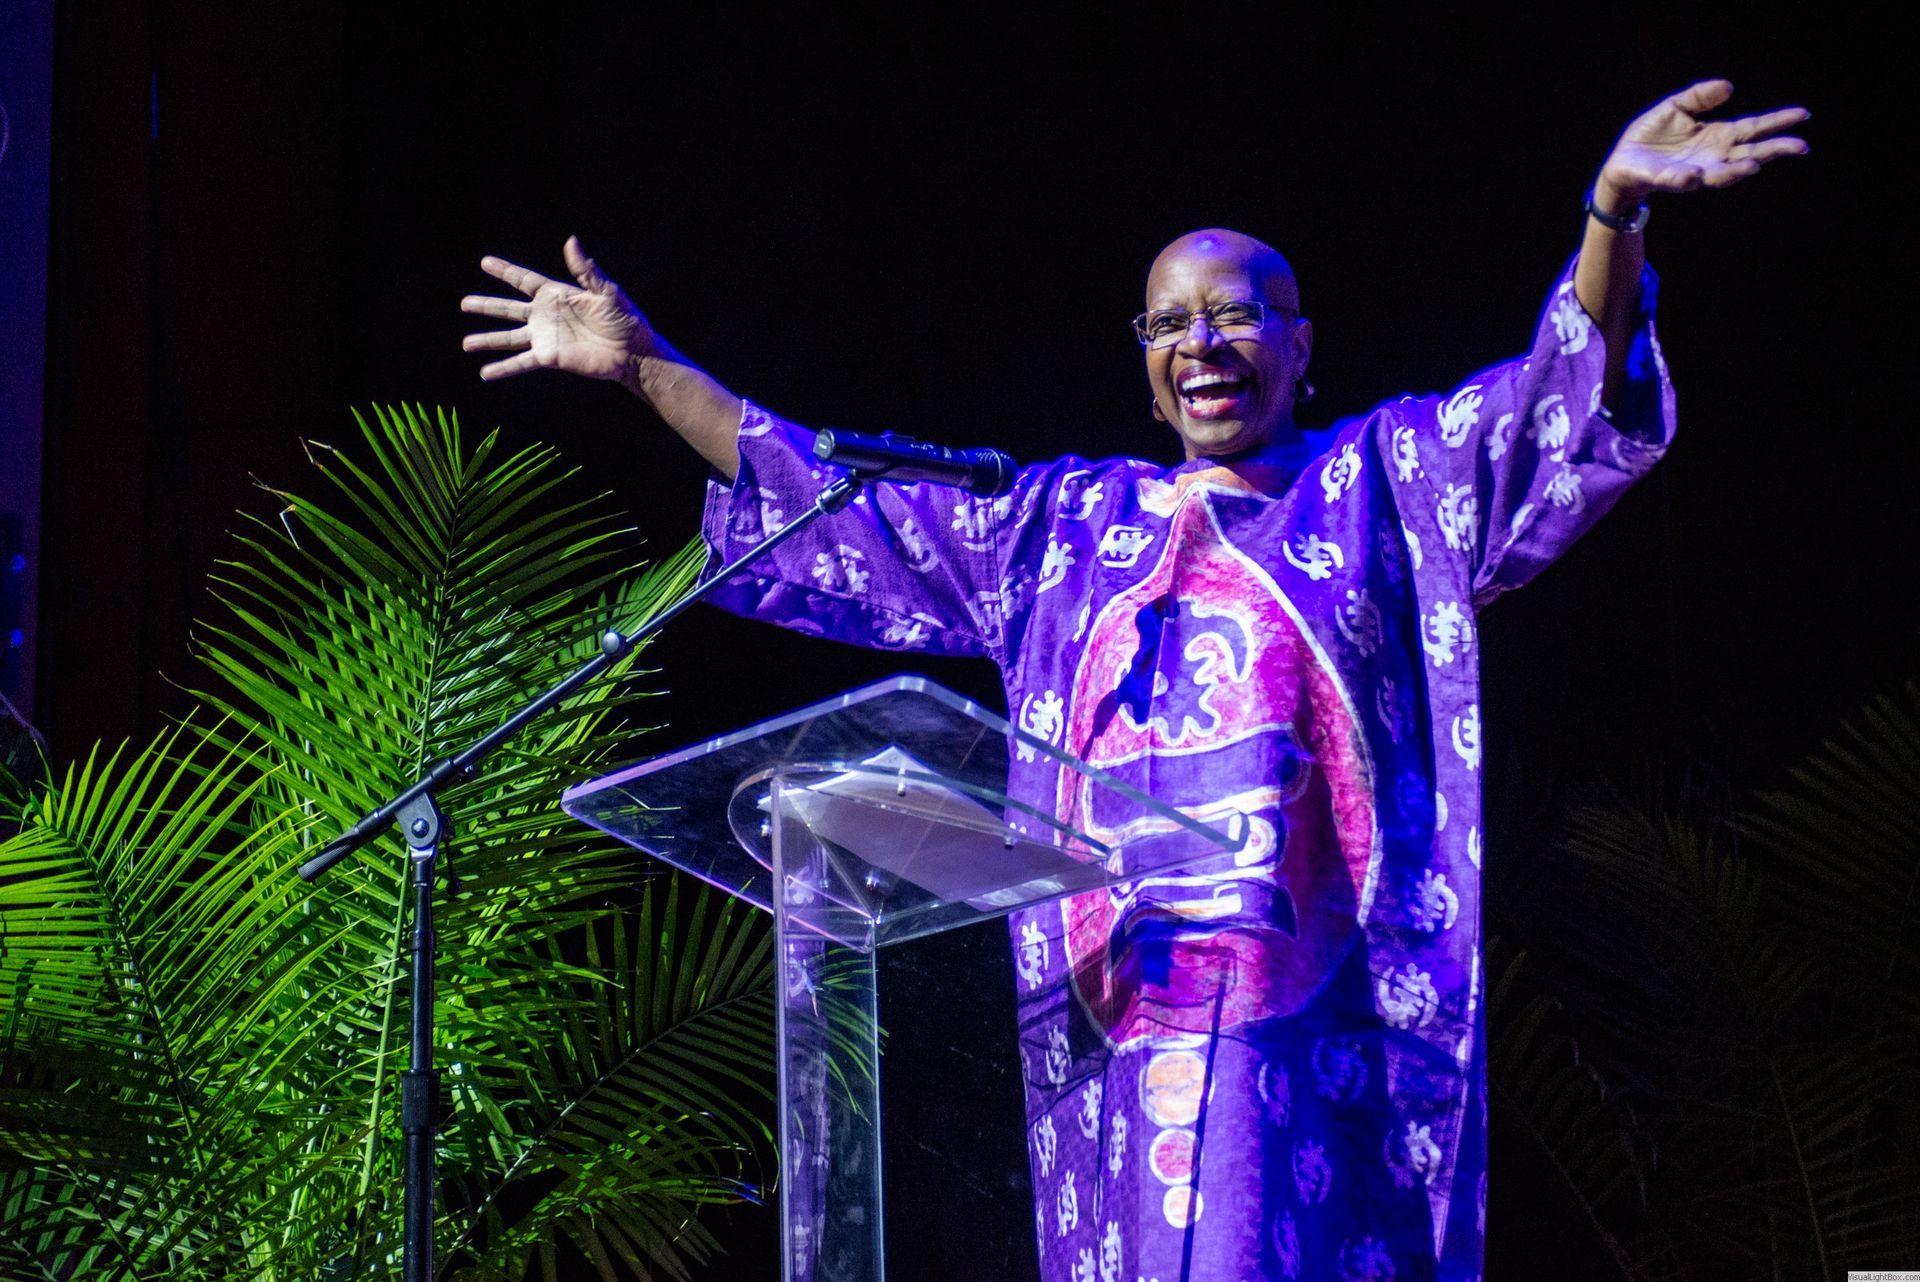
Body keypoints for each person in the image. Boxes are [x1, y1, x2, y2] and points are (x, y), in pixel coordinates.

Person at [462, 80, 1806, 1282]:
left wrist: (1612, 213)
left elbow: (1554, 406)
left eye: (1237, 315)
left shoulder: (1382, 490)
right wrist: (648, 371)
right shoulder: (1058, 530)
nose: (1203, 343)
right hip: (1115, 1053)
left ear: (1301, 342)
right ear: (1147, 371)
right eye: (1171, 324)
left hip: (1313, 1051)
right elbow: (827, 500)